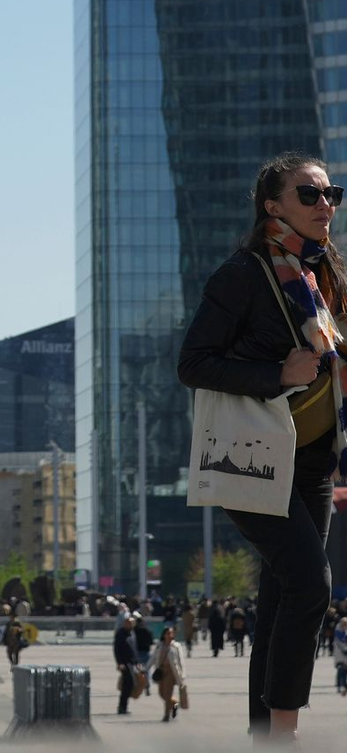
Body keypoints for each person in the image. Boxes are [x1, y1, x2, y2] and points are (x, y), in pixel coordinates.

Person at [178, 152, 345, 743]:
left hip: (316, 459)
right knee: (310, 583)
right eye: (310, 195)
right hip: (255, 455)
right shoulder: (242, 275)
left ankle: (261, 734)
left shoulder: (327, 273)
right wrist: (277, 372)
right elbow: (193, 364)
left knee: (279, 597)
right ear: (273, 206)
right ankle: (284, 733)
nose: (325, 205)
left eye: (332, 194)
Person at [146, 625, 187, 723]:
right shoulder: (160, 645)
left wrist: (182, 674)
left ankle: (166, 715)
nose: (170, 635)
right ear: (164, 635)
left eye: (171, 633)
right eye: (168, 633)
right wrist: (145, 668)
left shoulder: (176, 646)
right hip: (161, 671)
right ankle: (174, 704)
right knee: (161, 693)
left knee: (168, 693)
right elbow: (153, 658)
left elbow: (181, 660)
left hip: (172, 671)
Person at [113, 612, 138, 716]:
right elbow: (116, 649)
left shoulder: (132, 633)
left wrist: (137, 662)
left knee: (130, 684)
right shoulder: (120, 634)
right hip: (124, 662)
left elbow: (134, 649)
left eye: (131, 623)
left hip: (132, 662)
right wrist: (119, 663)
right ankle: (122, 706)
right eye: (128, 623)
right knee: (128, 683)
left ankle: (123, 706)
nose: (129, 625)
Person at [332, 616, 347, 695]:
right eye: (343, 624)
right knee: (340, 670)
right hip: (340, 655)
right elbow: (338, 643)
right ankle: (339, 685)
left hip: (345, 655)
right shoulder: (338, 631)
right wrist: (344, 649)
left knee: (344, 671)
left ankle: (344, 686)